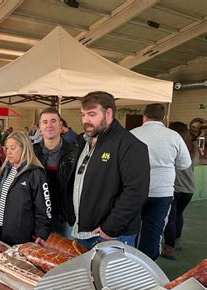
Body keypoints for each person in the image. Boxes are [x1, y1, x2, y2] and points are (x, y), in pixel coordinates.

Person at [71, 91, 150, 249]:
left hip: (111, 236)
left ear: (108, 113)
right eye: (83, 114)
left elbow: (136, 191)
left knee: (112, 275)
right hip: (84, 232)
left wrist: (111, 227)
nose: (86, 120)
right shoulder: (85, 142)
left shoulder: (129, 145)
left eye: (92, 114)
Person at [131, 104, 191, 260]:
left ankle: (129, 263)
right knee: (153, 231)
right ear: (163, 118)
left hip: (135, 191)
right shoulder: (173, 136)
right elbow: (185, 164)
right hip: (162, 192)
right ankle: (148, 267)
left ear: (144, 116)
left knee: (131, 229)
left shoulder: (132, 134)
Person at [0, 132, 52, 246]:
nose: (8, 152)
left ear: (25, 148)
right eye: (7, 148)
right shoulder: (5, 170)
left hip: (21, 237)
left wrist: (42, 234)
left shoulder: (36, 173)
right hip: (0, 233)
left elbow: (43, 208)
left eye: (13, 148)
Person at [33, 108, 77, 238]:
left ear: (61, 125)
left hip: (64, 218)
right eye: (45, 122)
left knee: (67, 256)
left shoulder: (74, 152)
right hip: (37, 217)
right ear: (40, 127)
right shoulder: (31, 152)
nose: (49, 125)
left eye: (53, 121)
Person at [162, 122, 199, 259]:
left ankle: (169, 248)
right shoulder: (193, 148)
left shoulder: (170, 146)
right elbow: (193, 164)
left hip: (173, 187)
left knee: (170, 218)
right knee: (178, 214)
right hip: (189, 188)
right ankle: (177, 241)